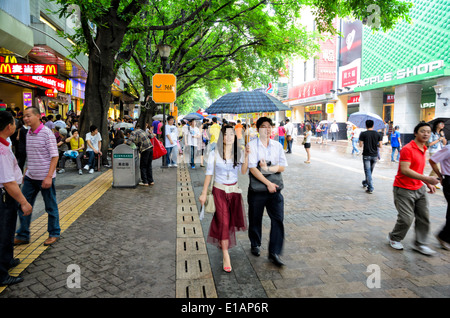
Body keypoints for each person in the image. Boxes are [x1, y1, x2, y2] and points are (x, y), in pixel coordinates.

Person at [198, 125, 248, 273]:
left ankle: (222, 241)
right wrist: (203, 193)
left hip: (234, 191)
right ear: (222, 137)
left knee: (228, 222)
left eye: (232, 134)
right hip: (219, 191)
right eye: (226, 134)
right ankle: (226, 255)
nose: (229, 137)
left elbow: (243, 172)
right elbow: (208, 174)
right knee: (224, 221)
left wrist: (246, 157)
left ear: (235, 136)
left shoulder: (239, 153)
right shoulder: (214, 154)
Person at [388, 122, 439, 255]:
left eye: (428, 132)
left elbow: (418, 169)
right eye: (422, 131)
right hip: (403, 188)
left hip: (419, 188)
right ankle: (394, 237)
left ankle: (420, 244)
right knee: (406, 218)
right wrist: (428, 179)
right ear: (415, 133)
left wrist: (426, 183)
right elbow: (405, 170)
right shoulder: (408, 148)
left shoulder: (424, 148)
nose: (426, 134)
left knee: (424, 216)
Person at [15, 107, 61, 246]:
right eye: (24, 116)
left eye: (28, 116)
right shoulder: (28, 133)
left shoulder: (47, 133)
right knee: (22, 204)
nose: (25, 118)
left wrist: (48, 177)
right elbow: (31, 155)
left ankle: (54, 233)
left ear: (38, 116)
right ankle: (23, 235)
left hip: (45, 177)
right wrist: (25, 172)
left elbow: (55, 156)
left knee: (50, 206)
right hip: (30, 176)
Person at [247, 117, 288, 266]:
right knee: (255, 218)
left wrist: (267, 169)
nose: (267, 129)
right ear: (258, 129)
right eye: (263, 126)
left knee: (278, 219)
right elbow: (252, 168)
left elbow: (282, 166)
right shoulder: (251, 145)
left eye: (269, 126)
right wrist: (268, 182)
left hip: (275, 190)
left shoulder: (277, 145)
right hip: (257, 190)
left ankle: (274, 252)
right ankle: (255, 244)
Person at [0, 111, 32, 286]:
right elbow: (8, 182)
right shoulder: (2, 151)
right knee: (3, 233)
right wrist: (24, 202)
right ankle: (1, 274)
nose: (17, 124)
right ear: (8, 127)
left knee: (8, 229)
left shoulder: (5, 144)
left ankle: (7, 260)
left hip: (7, 196)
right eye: (14, 122)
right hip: (5, 196)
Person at [429, 145, 450, 250]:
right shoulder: (448, 148)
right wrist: (440, 176)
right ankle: (443, 236)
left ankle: (445, 236)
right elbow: (432, 160)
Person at [358, 120, 382, 194]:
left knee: (368, 171)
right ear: (373, 125)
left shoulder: (363, 134)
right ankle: (365, 182)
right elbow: (380, 146)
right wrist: (375, 144)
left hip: (366, 155)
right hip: (374, 156)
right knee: (370, 171)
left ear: (366, 125)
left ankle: (370, 187)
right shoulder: (378, 134)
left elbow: (360, 145)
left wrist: (365, 142)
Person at [428, 120, 447, 184]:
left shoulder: (441, 133)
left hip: (440, 151)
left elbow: (445, 143)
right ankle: (429, 180)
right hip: (433, 151)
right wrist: (439, 139)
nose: (443, 125)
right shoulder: (432, 133)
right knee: (437, 167)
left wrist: (442, 136)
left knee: (438, 167)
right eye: (441, 123)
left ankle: (432, 181)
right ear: (436, 125)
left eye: (443, 124)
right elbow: (430, 144)